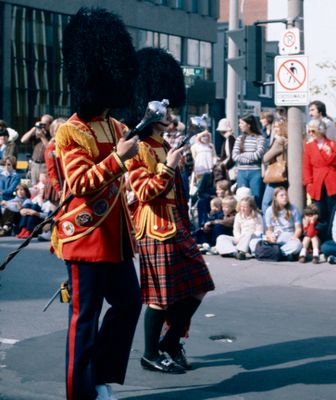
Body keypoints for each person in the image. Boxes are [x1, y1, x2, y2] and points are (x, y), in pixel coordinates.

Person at [51, 8, 142, 400]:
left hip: (116, 239)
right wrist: (119, 159)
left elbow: (137, 162)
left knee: (130, 304)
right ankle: (81, 393)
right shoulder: (71, 131)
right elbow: (81, 183)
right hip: (85, 237)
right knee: (83, 320)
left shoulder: (116, 124)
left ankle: (100, 374)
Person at [125, 47, 215, 374]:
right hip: (154, 228)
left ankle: (169, 342)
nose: (167, 110)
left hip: (177, 226)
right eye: (160, 107)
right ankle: (151, 353)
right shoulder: (136, 148)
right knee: (160, 297)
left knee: (199, 286)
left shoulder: (163, 145)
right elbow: (145, 192)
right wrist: (168, 168)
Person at [303, 119, 336, 240]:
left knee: (334, 212)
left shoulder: (332, 144)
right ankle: (320, 240)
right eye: (309, 130)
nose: (311, 133)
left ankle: (333, 239)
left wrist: (330, 155)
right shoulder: (309, 146)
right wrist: (308, 183)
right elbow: (306, 166)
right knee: (319, 213)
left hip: (332, 181)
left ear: (321, 130)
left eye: (313, 130)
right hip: (317, 183)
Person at [232, 113, 266, 208]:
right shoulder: (239, 139)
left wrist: (243, 156)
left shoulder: (260, 138)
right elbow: (234, 156)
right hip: (241, 172)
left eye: (242, 123)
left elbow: (258, 155)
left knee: (256, 198)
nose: (239, 125)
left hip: (255, 172)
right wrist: (249, 157)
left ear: (249, 125)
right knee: (241, 198)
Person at [216, 195, 263, 260]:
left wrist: (249, 235)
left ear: (251, 207)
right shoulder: (238, 215)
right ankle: (234, 252)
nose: (242, 209)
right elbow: (236, 229)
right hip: (240, 238)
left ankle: (241, 251)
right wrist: (238, 238)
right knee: (221, 237)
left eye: (245, 207)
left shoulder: (257, 216)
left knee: (249, 234)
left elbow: (260, 231)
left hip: (251, 239)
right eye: (241, 206)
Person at [263, 187, 303, 260]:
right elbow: (269, 230)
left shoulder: (293, 209)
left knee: (298, 245)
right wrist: (270, 236)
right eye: (281, 195)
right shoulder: (269, 211)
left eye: (286, 195)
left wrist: (294, 237)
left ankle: (276, 253)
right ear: (275, 198)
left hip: (289, 236)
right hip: (276, 237)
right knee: (256, 242)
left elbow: (298, 229)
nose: (285, 197)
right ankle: (285, 254)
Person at [261, 119, 288, 215]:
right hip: (286, 175)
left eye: (277, 127)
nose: (275, 129)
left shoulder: (279, 141)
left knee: (266, 203)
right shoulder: (289, 140)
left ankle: (267, 226)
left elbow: (266, 158)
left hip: (276, 175)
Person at [21, 113, 53, 185]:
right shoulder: (37, 133)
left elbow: (49, 148)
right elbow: (23, 140)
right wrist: (34, 128)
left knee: (43, 186)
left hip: (45, 165)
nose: (43, 126)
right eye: (41, 123)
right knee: (33, 186)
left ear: (50, 124)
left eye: (44, 124)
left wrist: (42, 137)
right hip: (34, 164)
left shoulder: (52, 135)